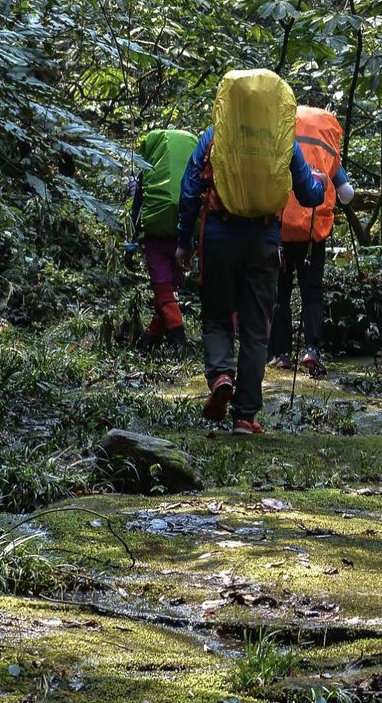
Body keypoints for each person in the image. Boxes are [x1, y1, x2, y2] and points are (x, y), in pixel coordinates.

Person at [176, 69, 325, 435]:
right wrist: (320, 185)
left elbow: (189, 188)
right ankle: (245, 415)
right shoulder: (281, 140)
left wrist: (182, 242)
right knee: (257, 328)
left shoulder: (214, 137)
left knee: (216, 317)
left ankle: (221, 375)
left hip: (218, 238)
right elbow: (308, 195)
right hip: (263, 241)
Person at [270, 105, 354, 377]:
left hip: (281, 231)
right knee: (312, 292)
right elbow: (347, 194)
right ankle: (311, 350)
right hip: (312, 233)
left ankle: (281, 355)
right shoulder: (326, 149)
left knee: (280, 294)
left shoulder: (282, 146)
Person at [129, 127, 198, 349]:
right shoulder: (192, 171)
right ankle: (151, 340)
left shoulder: (148, 173)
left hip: (156, 239)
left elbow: (137, 210)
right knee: (169, 290)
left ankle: (180, 342)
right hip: (183, 238)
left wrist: (130, 246)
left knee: (163, 290)